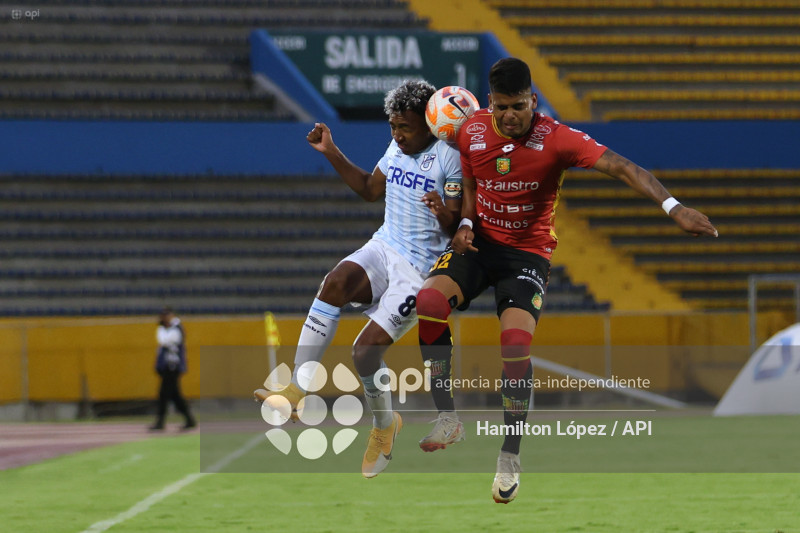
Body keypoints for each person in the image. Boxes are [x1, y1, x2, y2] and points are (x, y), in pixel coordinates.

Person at [415, 58, 718, 503]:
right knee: (428, 301)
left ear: (533, 101)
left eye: (518, 106)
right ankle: (448, 418)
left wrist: (674, 208)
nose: (509, 116)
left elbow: (622, 166)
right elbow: (473, 181)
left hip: (526, 256)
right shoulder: (471, 129)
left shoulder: (557, 139)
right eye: (501, 107)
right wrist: (463, 222)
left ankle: (510, 456)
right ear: (491, 104)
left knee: (515, 347)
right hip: (479, 245)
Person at [254, 79, 463, 478]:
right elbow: (370, 189)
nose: (397, 135)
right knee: (333, 283)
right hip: (385, 247)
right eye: (393, 127)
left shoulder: (448, 157)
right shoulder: (397, 147)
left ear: (431, 124)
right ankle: (297, 390)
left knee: (364, 352)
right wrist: (331, 151)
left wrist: (442, 211)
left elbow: (456, 226)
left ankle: (385, 426)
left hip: (419, 272)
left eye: (405, 128)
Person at [150, 307, 196, 431]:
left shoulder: (176, 328)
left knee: (164, 395)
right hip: (167, 367)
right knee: (175, 396)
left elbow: (164, 341)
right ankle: (189, 420)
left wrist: (161, 328)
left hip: (172, 367)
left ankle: (160, 422)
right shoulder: (167, 328)